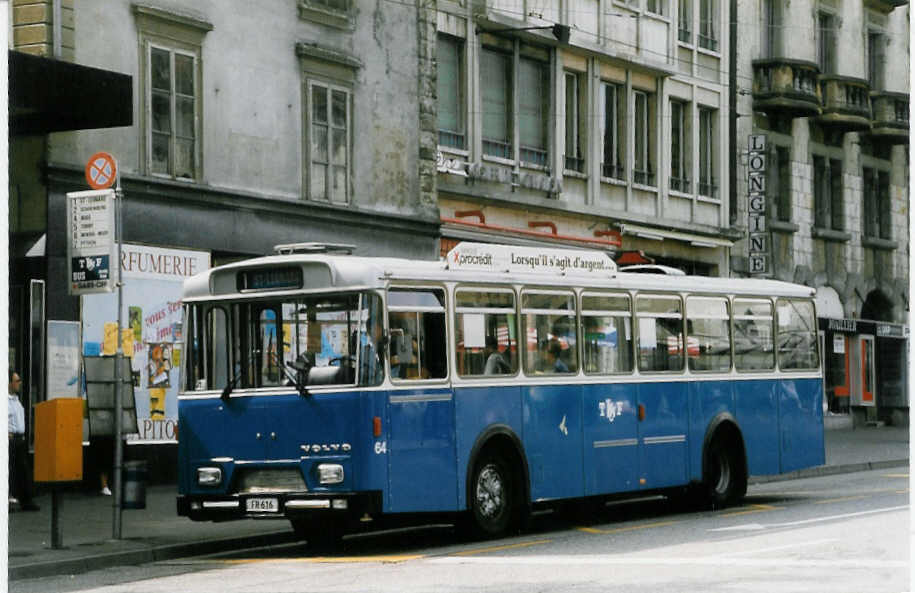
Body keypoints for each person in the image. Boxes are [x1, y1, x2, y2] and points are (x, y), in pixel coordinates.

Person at [8, 371, 39, 511]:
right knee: (10, 472)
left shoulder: (16, 399)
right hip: (10, 440)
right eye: (17, 380)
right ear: (8, 383)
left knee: (23, 471)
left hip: (20, 440)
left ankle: (26, 500)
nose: (19, 383)